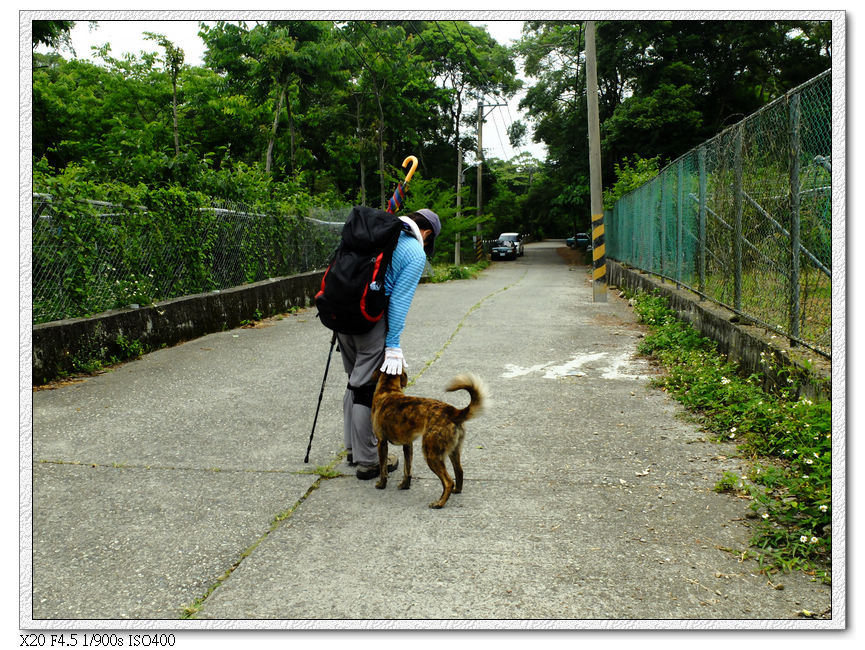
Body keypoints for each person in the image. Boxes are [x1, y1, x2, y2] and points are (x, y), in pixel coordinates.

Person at [338, 208, 441, 480]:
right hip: (370, 319)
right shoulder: (414, 252)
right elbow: (398, 301)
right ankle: (368, 460)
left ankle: (353, 449)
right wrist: (393, 345)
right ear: (427, 233)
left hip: (341, 312)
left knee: (353, 380)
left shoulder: (374, 235)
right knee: (365, 387)